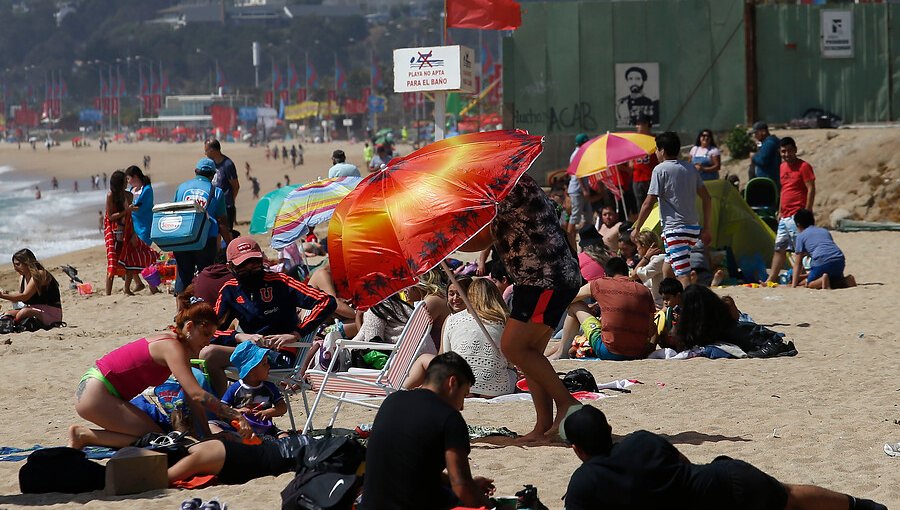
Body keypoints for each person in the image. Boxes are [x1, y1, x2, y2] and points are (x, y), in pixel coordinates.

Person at [561, 405, 887, 510]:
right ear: (610, 430)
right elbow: (685, 469)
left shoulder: (583, 483)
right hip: (727, 481)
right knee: (790, 498)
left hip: (719, 494)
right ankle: (863, 507)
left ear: (577, 449)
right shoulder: (641, 442)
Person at [68, 288, 253, 449]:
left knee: (157, 438)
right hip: (96, 393)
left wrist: (207, 435)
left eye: (211, 336)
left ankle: (84, 436)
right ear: (189, 327)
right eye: (205, 334)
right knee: (158, 440)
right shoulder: (172, 347)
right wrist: (234, 413)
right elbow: (198, 394)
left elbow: (192, 396)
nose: (208, 341)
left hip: (98, 389)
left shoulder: (178, 345)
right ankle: (83, 435)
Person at [490, 173, 584, 441]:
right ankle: (543, 426)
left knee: (513, 347)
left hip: (543, 278)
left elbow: (480, 238)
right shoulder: (517, 182)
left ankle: (567, 404)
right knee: (530, 355)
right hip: (545, 276)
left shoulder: (503, 189)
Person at [359, 352, 495, 510]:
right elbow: (462, 486)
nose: (462, 406)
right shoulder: (449, 418)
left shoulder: (392, 401)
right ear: (452, 382)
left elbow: (412, 469)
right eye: (464, 395)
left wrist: (469, 483)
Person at [205, 236, 336, 394]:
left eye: (254, 262)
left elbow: (326, 301)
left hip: (281, 355)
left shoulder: (280, 282)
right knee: (195, 351)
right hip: (249, 349)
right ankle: (225, 406)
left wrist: (296, 334)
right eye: (243, 265)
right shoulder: (230, 290)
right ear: (230, 267)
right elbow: (210, 332)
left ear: (262, 260)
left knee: (209, 354)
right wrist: (238, 337)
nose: (250, 268)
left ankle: (221, 411)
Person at [406, 278, 516, 397]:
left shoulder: (452, 319)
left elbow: (444, 358)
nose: (455, 298)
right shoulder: (506, 320)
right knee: (511, 371)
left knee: (424, 358)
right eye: (451, 294)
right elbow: (511, 359)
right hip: (496, 389)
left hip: (460, 386)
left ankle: (402, 389)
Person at [632, 131, 713, 288]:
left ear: (662, 150)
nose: (655, 153)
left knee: (683, 276)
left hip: (675, 230)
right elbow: (707, 198)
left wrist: (637, 227)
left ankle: (690, 308)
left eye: (656, 149)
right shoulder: (690, 168)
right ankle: (668, 305)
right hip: (692, 229)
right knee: (667, 269)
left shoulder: (660, 169)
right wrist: (707, 227)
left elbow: (648, 203)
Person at [566, 257, 656, 360]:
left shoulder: (600, 284)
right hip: (638, 352)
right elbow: (650, 329)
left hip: (609, 351)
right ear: (627, 273)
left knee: (575, 305)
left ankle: (562, 352)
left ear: (606, 275)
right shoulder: (644, 290)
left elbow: (569, 298)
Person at [172, 158, 231, 295]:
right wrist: (229, 243)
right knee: (206, 276)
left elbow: (175, 212)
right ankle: (203, 307)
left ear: (196, 171)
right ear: (212, 175)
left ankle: (181, 312)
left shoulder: (181, 188)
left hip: (183, 238)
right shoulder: (216, 192)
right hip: (205, 240)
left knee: (183, 275)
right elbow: (222, 222)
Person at [209, 341, 287, 438]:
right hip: (239, 429)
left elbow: (283, 407)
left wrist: (269, 412)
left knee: (284, 437)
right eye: (264, 364)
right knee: (211, 425)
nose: (269, 366)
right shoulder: (236, 388)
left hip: (265, 428)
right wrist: (237, 411)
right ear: (251, 370)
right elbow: (222, 409)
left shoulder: (269, 387)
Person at [766, 137, 816, 285]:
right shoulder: (782, 167)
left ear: (795, 150)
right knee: (779, 247)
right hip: (785, 215)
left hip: (798, 214)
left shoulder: (804, 166)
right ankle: (772, 278)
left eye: (789, 150)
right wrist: (780, 210)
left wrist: (808, 210)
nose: (786, 154)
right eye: (783, 151)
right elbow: (783, 190)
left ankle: (807, 276)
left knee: (801, 249)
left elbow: (811, 188)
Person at [104, 170, 157, 296]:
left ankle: (127, 288)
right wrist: (127, 210)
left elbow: (130, 217)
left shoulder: (129, 195)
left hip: (127, 229)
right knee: (113, 261)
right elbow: (111, 216)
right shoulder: (110, 196)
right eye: (125, 181)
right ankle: (108, 294)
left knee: (130, 258)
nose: (127, 183)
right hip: (114, 231)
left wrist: (133, 233)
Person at [791, 209, 855, 290]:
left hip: (822, 262)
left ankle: (822, 280)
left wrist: (794, 285)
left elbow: (798, 263)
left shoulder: (801, 236)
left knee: (809, 283)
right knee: (835, 281)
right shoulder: (824, 231)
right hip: (839, 259)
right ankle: (847, 280)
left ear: (798, 225)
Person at [0, 249, 63, 327]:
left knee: (23, 313)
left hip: (51, 313)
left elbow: (25, 296)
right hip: (34, 309)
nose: (15, 268)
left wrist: (2, 296)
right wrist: (7, 295)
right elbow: (21, 299)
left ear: (27, 263)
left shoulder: (40, 274)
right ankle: (10, 324)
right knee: (8, 314)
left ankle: (13, 324)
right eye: (14, 265)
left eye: (18, 264)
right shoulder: (22, 277)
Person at [204, 139, 240, 232]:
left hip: (226, 206)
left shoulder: (228, 164)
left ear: (212, 150)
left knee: (227, 231)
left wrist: (231, 201)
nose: (205, 153)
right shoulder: (211, 164)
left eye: (206, 151)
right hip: (214, 205)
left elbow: (235, 185)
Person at [632, 230, 666, 308]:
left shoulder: (659, 259)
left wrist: (646, 257)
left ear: (643, 245)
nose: (637, 249)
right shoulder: (651, 262)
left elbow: (634, 275)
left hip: (659, 307)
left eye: (638, 246)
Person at [567, 134, 593, 238]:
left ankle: (587, 236)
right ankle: (569, 238)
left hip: (582, 189)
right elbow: (578, 173)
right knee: (575, 216)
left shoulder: (581, 152)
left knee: (588, 215)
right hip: (577, 189)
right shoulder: (578, 153)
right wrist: (584, 189)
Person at [124, 165, 154, 247]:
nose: (128, 182)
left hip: (144, 225)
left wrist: (129, 209)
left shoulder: (146, 189)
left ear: (135, 177)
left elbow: (141, 208)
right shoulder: (131, 190)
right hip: (133, 227)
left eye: (128, 178)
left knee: (143, 248)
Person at [630, 114, 657, 206]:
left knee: (653, 204)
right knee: (640, 205)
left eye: (639, 124)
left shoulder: (655, 139)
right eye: (636, 124)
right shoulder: (635, 141)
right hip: (637, 177)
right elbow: (631, 159)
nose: (637, 126)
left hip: (651, 177)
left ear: (647, 124)